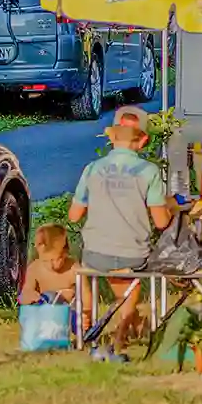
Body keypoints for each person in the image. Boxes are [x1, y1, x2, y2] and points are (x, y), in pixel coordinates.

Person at [70, 108, 174, 357]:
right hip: (133, 255)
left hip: (96, 254)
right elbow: (161, 222)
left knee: (118, 276)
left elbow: (74, 215)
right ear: (144, 139)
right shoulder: (149, 172)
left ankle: (133, 322)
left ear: (111, 137)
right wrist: (171, 208)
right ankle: (122, 333)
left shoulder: (92, 169)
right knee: (129, 275)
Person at [19, 223, 81, 315]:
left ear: (65, 252)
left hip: (68, 315)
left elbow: (86, 295)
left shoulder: (73, 268)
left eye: (58, 258)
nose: (52, 265)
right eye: (47, 261)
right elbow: (25, 293)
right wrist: (29, 295)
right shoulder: (35, 268)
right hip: (44, 316)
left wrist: (85, 314)